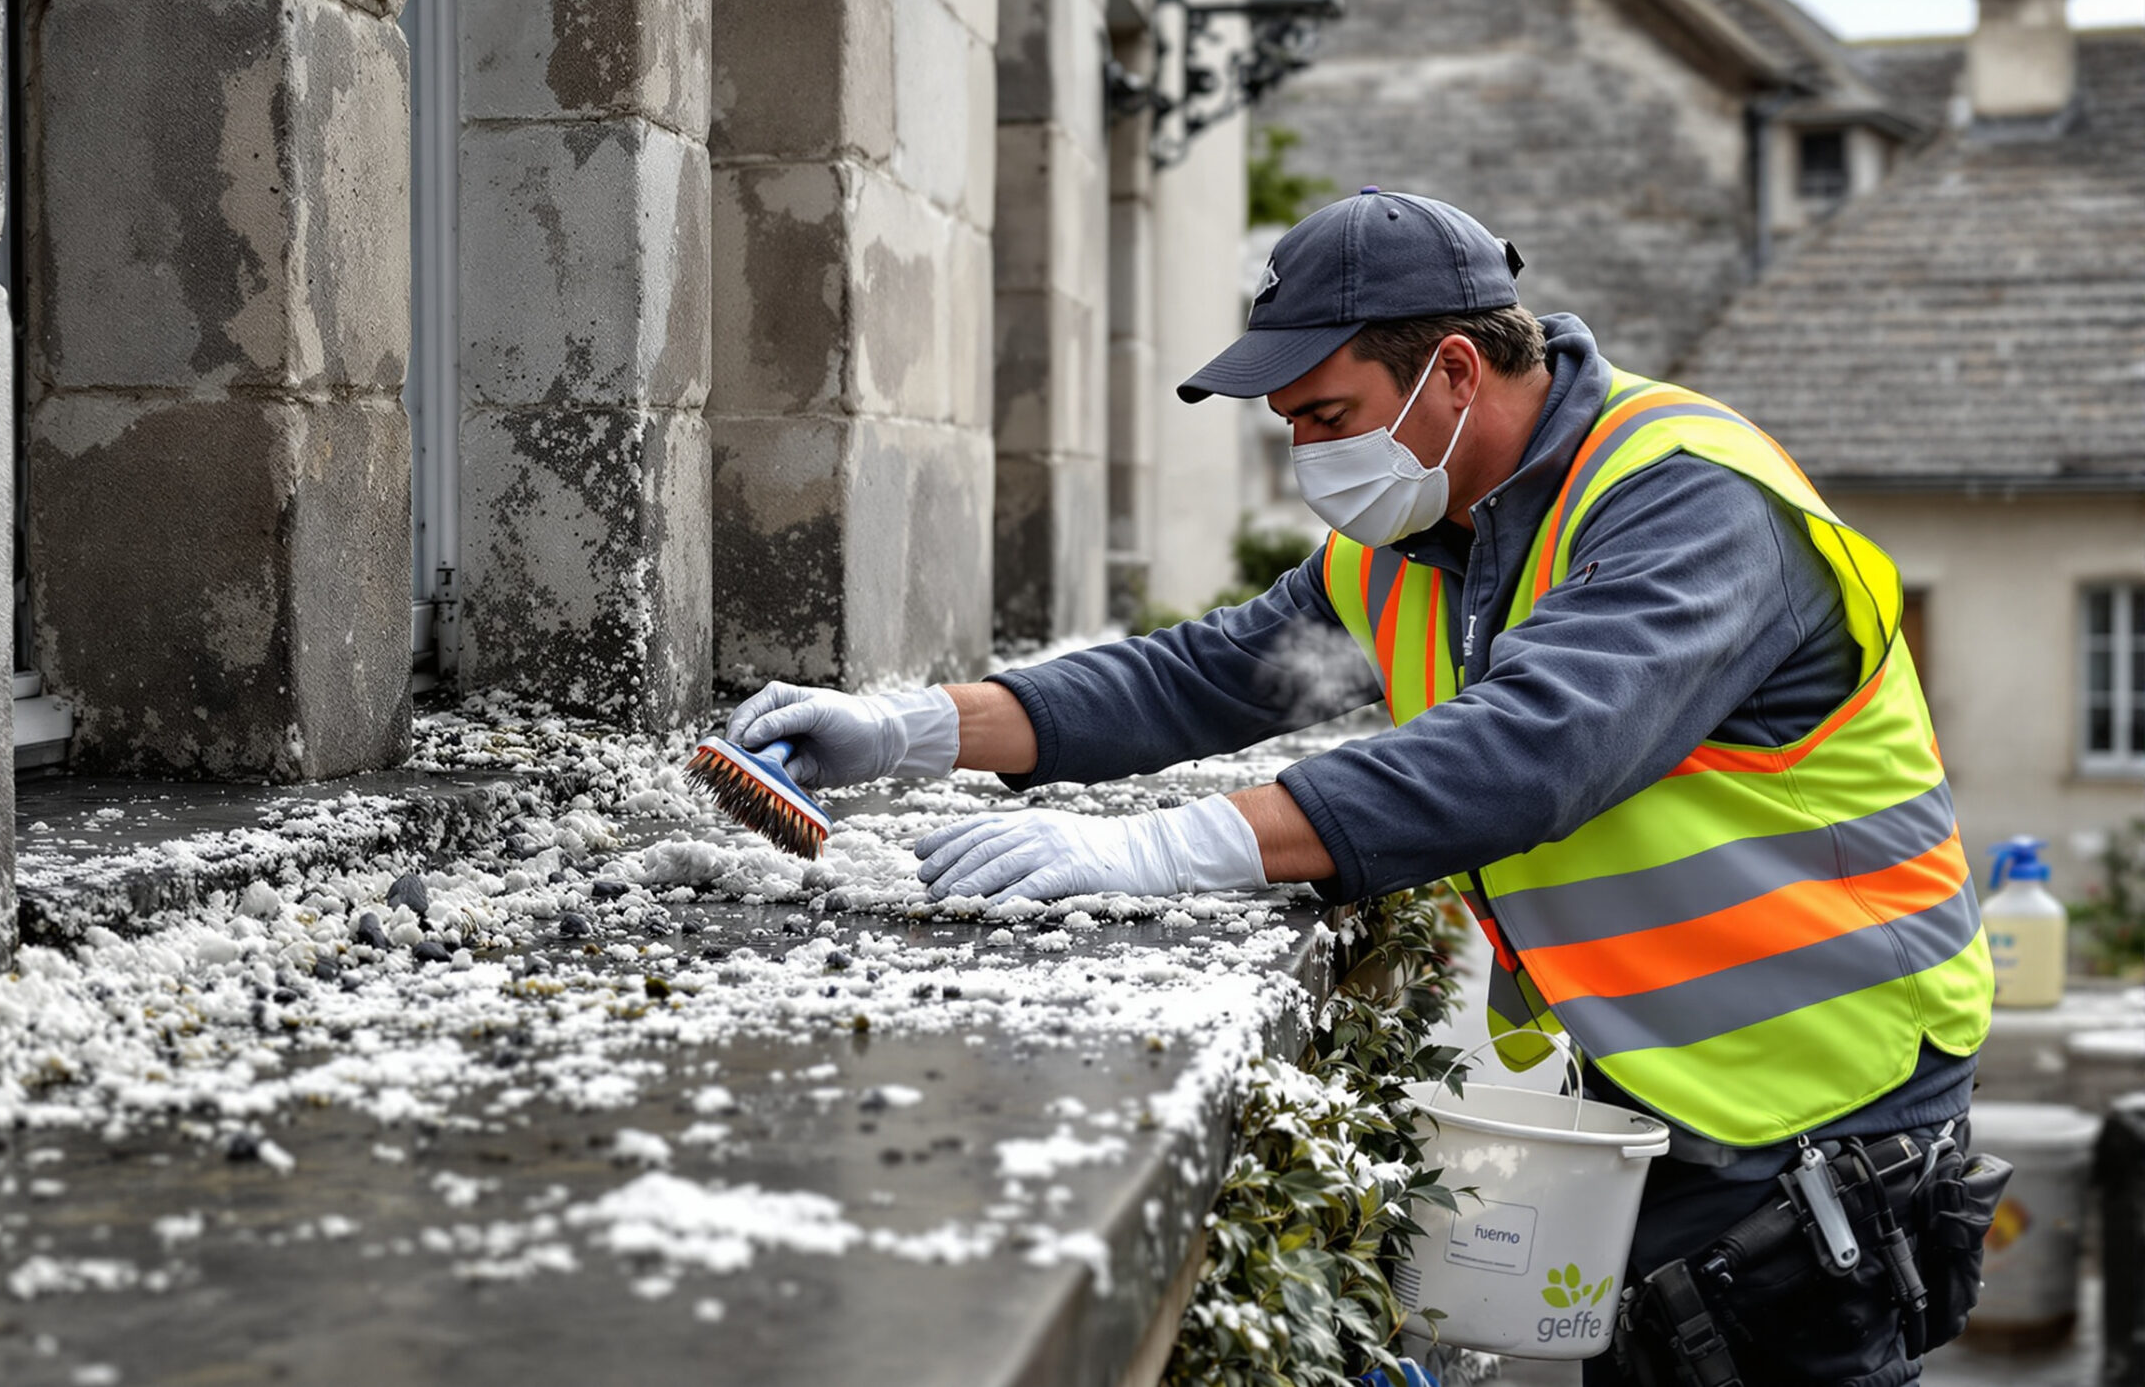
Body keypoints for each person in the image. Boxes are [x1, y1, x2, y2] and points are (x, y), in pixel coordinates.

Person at [725, 190, 1994, 1386]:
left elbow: (1530, 749)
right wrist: (911, 728)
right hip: (1671, 1081)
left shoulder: (1687, 500)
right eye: (1285, 422)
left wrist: (1157, 852)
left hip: (1823, 1101)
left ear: (1450, 371)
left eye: (1324, 413)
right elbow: (1204, 677)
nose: (1303, 452)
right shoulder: (1417, 539)